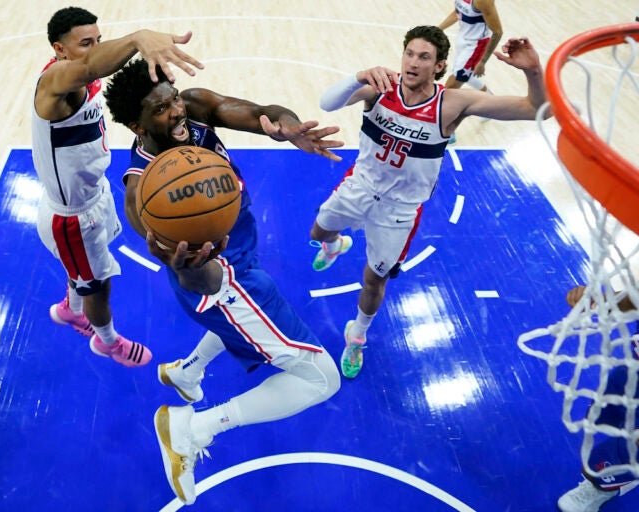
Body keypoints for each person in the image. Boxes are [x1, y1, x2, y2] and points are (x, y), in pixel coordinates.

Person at [103, 58, 343, 504]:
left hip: (239, 242)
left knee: (242, 322)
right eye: (161, 109)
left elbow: (257, 113)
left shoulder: (191, 109)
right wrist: (203, 270)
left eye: (173, 97)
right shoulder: (142, 191)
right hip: (215, 275)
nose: (176, 111)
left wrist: (285, 126)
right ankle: (190, 429)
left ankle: (186, 372)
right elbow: (184, 269)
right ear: (137, 125)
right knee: (320, 379)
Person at [310, 26, 548, 379]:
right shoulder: (379, 90)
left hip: (399, 210)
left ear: (439, 67)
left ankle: (357, 334)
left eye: (424, 57)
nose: (413, 62)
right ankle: (336, 245)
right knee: (319, 230)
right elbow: (326, 103)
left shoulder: (452, 103)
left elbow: (537, 109)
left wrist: (532, 70)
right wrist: (358, 75)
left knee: (375, 280)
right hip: (359, 186)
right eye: (409, 53)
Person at [31, 7, 203, 368]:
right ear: (59, 50)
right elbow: (90, 66)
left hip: (95, 195)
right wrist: (140, 37)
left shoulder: (82, 78)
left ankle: (70, 307)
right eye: (84, 43)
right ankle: (106, 342)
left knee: (84, 270)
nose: (94, 48)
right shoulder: (57, 83)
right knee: (99, 285)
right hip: (72, 219)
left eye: (98, 40)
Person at [557, 285, 639, 512]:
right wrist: (601, 300)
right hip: (633, 372)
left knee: (631, 446)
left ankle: (601, 487)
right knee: (604, 414)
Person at [437, 0, 503, 143]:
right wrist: (438, 29)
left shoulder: (483, 1)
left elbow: (497, 32)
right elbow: (457, 12)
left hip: (475, 46)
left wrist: (483, 61)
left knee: (449, 90)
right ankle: (489, 99)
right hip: (462, 39)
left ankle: (449, 132)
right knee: (465, 76)